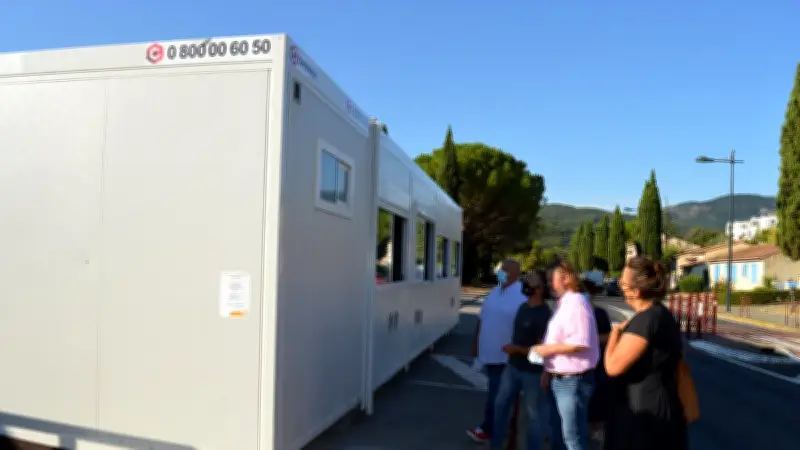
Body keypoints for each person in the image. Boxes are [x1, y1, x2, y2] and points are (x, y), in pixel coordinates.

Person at [602, 257, 688, 450]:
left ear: (636, 291)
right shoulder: (661, 315)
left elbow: (612, 366)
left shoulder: (645, 321)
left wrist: (615, 334)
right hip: (662, 405)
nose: (619, 285)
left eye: (622, 283)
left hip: (644, 412)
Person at [530, 261, 599, 450]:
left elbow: (579, 343)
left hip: (573, 382)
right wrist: (547, 370)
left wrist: (545, 350)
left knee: (573, 439)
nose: (549, 284)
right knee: (560, 436)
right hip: (560, 380)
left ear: (566, 278)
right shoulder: (564, 303)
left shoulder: (576, 303)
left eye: (552, 279)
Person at [490, 273, 553, 450]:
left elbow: (542, 349)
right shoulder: (523, 307)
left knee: (534, 416)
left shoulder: (544, 315)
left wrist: (517, 349)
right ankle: (496, 444)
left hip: (532, 373)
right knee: (500, 405)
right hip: (513, 367)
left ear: (539, 289)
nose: (526, 284)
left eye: (530, 282)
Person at [467, 259, 527, 443]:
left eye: (506, 270)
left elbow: (524, 329)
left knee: (496, 395)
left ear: (516, 274)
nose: (502, 272)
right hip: (489, 354)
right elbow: (482, 318)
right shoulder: (494, 292)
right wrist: (476, 343)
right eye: (501, 268)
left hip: (506, 358)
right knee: (497, 395)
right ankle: (501, 428)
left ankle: (488, 429)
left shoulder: (521, 298)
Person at [582, 279, 612, 442]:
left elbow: (608, 336)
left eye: (586, 293)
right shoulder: (570, 313)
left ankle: (597, 429)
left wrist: (590, 340)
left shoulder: (599, 313)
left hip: (597, 365)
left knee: (597, 400)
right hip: (578, 366)